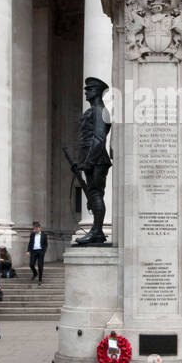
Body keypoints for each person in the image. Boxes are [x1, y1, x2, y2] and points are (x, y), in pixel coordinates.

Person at [74, 78, 113, 246]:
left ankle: (97, 231)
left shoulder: (99, 111)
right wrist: (81, 161)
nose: (86, 92)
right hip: (92, 160)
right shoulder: (94, 111)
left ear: (97, 91)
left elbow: (98, 139)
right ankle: (96, 231)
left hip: (97, 160)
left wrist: (88, 161)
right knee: (94, 194)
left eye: (89, 89)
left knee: (96, 194)